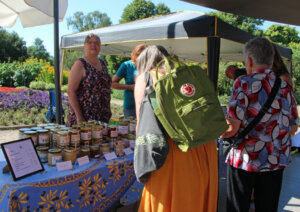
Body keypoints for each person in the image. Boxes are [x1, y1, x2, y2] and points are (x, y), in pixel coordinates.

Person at [134, 45, 218, 212]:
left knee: (169, 199)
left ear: (143, 63)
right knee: (196, 198)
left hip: (174, 149)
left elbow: (141, 123)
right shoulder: (188, 73)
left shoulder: (146, 78)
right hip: (204, 145)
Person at [221, 37, 299, 212]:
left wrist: (217, 131)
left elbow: (232, 128)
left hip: (245, 159)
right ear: (272, 59)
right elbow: (293, 127)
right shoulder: (285, 85)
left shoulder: (243, 83)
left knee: (237, 206)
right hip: (276, 160)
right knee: (267, 207)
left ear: (249, 60)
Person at [67, 34, 112, 126]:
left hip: (102, 116)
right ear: (85, 45)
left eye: (96, 43)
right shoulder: (80, 64)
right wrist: (79, 117)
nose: (93, 45)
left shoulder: (103, 64)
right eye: (90, 42)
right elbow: (71, 91)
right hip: (85, 117)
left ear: (100, 46)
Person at [111, 44, 147, 119]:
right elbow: (112, 84)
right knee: (130, 128)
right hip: (130, 106)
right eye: (139, 56)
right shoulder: (126, 65)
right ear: (134, 54)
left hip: (146, 105)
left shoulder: (149, 66)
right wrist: (130, 87)